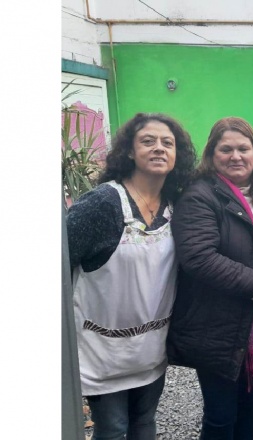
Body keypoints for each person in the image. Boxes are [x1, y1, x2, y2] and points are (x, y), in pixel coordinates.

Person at [166, 117, 253, 439]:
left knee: (250, 407)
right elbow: (198, 257)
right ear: (212, 154)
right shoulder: (200, 196)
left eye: (243, 148)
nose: (235, 156)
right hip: (217, 325)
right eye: (225, 149)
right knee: (220, 415)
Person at [68, 113, 197, 439]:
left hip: (150, 350)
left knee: (144, 425)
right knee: (113, 429)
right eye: (148, 141)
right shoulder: (102, 204)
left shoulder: (177, 205)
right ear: (129, 151)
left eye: (167, 143)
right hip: (102, 353)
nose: (159, 148)